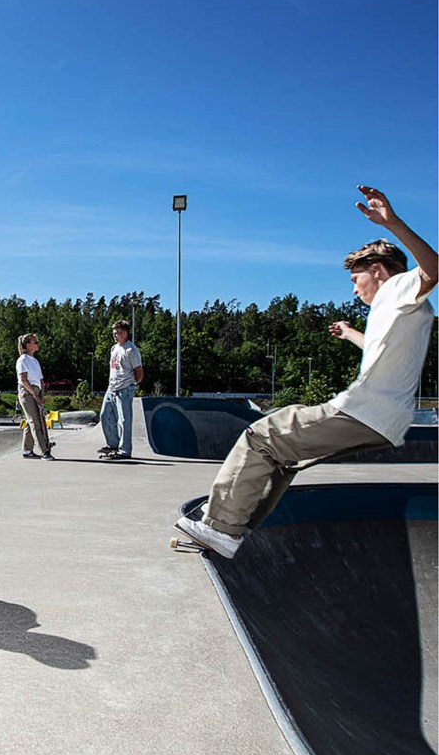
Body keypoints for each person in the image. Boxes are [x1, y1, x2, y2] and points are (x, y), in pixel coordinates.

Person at [176, 186, 438, 558]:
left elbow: (434, 268)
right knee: (286, 456)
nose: (354, 289)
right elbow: (381, 352)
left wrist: (392, 223)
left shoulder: (398, 287)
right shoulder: (408, 311)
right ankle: (237, 529)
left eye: (356, 279)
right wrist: (350, 333)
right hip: (386, 419)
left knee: (262, 434)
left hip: (364, 409)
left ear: (377, 271)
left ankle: (221, 527)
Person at [97, 320, 143, 459]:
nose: (116, 335)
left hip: (125, 388)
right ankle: (113, 444)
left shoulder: (131, 350)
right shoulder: (114, 348)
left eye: (119, 333)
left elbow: (139, 371)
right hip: (111, 387)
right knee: (105, 416)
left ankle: (125, 450)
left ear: (126, 333)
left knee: (124, 420)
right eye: (114, 333)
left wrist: (132, 384)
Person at [15, 333, 54, 460]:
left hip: (36, 391)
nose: (38, 344)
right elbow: (24, 380)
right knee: (35, 423)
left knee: (31, 422)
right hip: (27, 392)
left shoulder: (35, 361)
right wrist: (34, 394)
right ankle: (44, 451)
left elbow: (41, 380)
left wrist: (41, 395)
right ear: (27, 345)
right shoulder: (22, 360)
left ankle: (27, 450)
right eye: (35, 342)